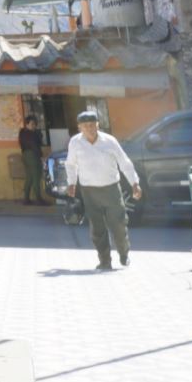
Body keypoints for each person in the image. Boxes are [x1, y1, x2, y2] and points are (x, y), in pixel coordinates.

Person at [65, 109, 141, 270]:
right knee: (97, 228)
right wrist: (71, 183)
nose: (89, 129)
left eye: (92, 125)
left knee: (118, 224)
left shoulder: (109, 141)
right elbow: (71, 165)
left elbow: (124, 162)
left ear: (98, 125)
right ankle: (105, 260)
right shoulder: (75, 142)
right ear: (80, 128)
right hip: (89, 191)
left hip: (111, 189)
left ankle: (124, 253)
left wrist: (135, 183)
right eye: (85, 126)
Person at [19, 114, 47, 205]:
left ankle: (26, 198)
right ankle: (38, 199)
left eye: (35, 124)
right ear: (27, 124)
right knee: (36, 177)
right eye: (32, 124)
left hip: (25, 155)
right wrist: (41, 156)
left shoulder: (22, 133)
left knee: (29, 177)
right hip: (32, 155)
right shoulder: (30, 134)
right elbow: (35, 146)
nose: (34, 126)